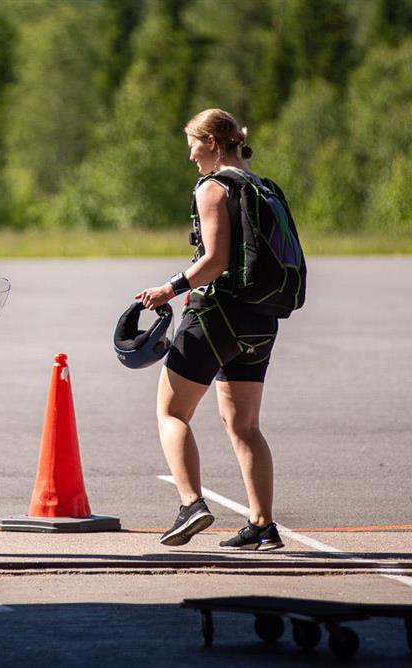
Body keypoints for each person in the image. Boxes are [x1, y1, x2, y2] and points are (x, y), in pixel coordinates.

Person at [135, 108, 286, 551]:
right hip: (261, 319)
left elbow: (215, 261)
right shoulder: (265, 186)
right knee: (244, 425)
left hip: (219, 314)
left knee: (171, 412)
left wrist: (169, 287)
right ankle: (262, 524)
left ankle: (190, 504)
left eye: (193, 146)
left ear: (213, 143)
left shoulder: (214, 186)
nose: (191, 157)